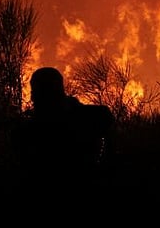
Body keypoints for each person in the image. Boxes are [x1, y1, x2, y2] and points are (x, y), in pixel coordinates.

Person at [14, 66, 115, 209]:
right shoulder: (29, 127)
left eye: (37, 91)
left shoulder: (88, 116)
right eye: (34, 91)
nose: (32, 97)